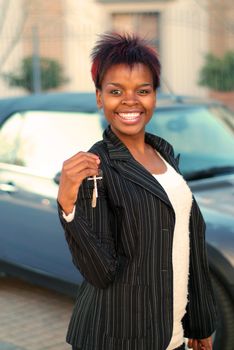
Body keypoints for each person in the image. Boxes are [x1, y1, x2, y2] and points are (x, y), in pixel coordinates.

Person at [57, 32, 217, 350]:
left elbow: (190, 243)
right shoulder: (96, 166)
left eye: (142, 90)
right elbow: (100, 272)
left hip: (170, 336)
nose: (130, 101)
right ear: (100, 97)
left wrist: (199, 323)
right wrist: (68, 206)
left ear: (154, 96)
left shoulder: (164, 152)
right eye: (116, 91)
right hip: (116, 338)